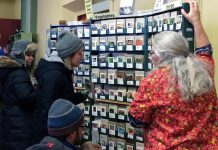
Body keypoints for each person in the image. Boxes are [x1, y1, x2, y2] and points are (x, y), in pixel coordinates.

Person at [128, 0, 218, 149]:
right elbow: (205, 51)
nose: (150, 57)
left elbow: (135, 120)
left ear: (164, 56)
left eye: (152, 52)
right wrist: (196, 22)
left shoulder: (152, 82)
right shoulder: (204, 70)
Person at [32, 31, 87, 143]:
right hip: (50, 135)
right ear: (70, 54)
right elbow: (49, 110)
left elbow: (64, 98)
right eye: (80, 53)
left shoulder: (62, 70)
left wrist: (83, 96)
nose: (82, 57)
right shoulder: (54, 75)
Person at [0, 40, 37, 150]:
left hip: (10, 121)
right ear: (19, 54)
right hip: (19, 124)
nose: (31, 58)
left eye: (33, 55)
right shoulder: (19, 73)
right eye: (28, 55)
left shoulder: (9, 70)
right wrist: (40, 90)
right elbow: (26, 98)